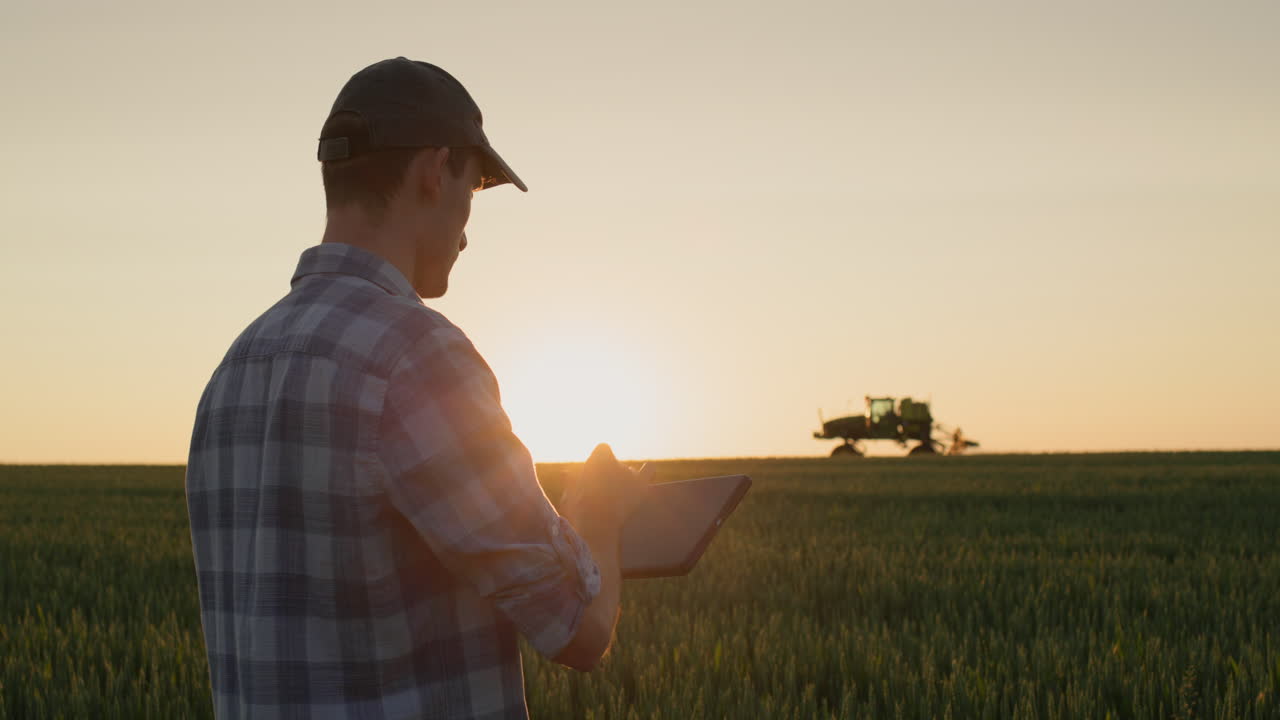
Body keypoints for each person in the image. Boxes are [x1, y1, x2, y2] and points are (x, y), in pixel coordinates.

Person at [185, 57, 651, 720]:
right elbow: (579, 629)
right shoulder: (416, 356)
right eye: (476, 184)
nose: (468, 224)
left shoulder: (232, 371)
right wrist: (598, 516)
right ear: (435, 172)